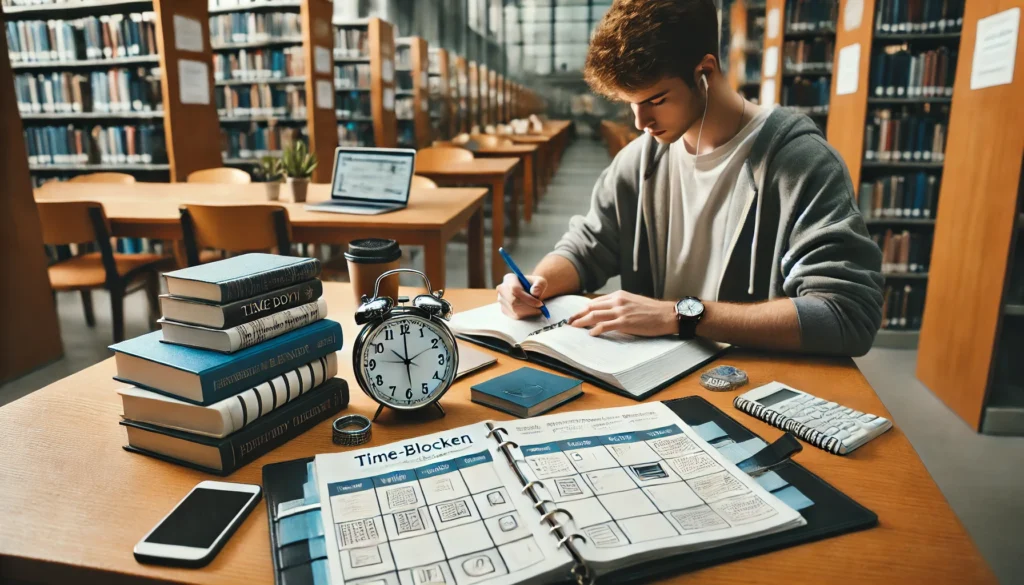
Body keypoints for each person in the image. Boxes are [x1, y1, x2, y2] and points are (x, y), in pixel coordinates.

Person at [496, 0, 883, 357]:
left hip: (755, 382)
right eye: (630, 103)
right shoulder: (639, 161)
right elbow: (588, 245)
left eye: (656, 100)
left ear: (705, 72)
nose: (640, 122)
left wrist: (681, 316)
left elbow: (846, 315)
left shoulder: (802, 163)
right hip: (656, 380)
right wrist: (536, 281)